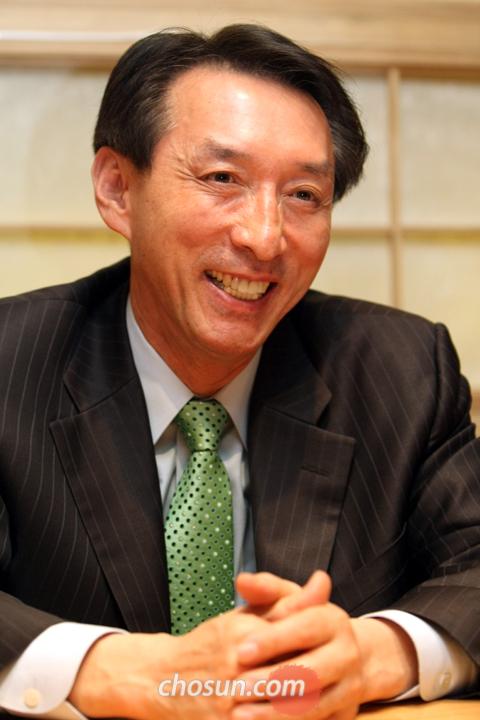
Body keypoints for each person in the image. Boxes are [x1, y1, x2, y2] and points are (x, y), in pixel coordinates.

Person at [0, 23, 479, 720]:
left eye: (304, 195)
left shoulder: (400, 370)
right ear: (117, 189)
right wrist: (114, 669)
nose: (263, 237)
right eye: (222, 179)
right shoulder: (12, 364)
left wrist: (375, 654)